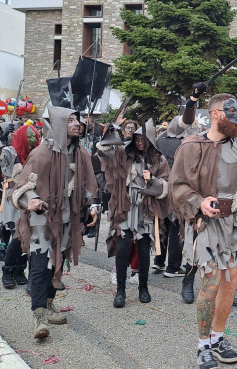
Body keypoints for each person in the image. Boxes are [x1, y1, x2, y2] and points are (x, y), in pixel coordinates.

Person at [169, 93, 237, 368]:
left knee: (230, 283)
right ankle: (203, 346)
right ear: (215, 114)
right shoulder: (190, 146)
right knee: (211, 284)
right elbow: (177, 186)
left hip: (233, 224)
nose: (236, 115)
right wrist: (199, 201)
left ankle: (217, 339)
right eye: (230, 110)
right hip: (205, 224)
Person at [11, 106, 98, 339]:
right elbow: (22, 185)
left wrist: (93, 206)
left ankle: (49, 304)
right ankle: (39, 316)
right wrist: (32, 199)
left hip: (67, 221)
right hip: (41, 220)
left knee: (57, 265)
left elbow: (89, 183)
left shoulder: (80, 154)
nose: (77, 124)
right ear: (59, 124)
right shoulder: (41, 154)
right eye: (70, 120)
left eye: (77, 120)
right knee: (40, 267)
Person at [97, 120, 170, 308]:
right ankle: (120, 290)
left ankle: (143, 288)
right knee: (122, 248)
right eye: (137, 139)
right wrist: (111, 130)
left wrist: (152, 180)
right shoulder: (124, 154)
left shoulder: (160, 160)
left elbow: (166, 186)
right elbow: (105, 151)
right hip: (126, 206)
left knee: (144, 250)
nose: (139, 143)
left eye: (143, 139)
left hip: (146, 209)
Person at [154, 95, 201, 303]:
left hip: (162, 187)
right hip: (179, 188)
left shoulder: (159, 140)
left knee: (163, 223)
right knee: (176, 227)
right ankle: (172, 266)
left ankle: (158, 260)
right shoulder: (186, 142)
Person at [1, 124, 40, 288]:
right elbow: (2, 158)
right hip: (13, 198)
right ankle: (8, 270)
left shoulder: (36, 154)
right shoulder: (10, 152)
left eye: (34, 139)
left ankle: (19, 270)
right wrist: (2, 139)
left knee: (27, 236)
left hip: (30, 199)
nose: (31, 142)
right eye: (28, 139)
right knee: (17, 236)